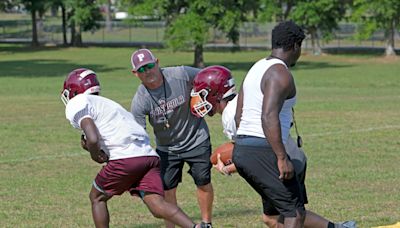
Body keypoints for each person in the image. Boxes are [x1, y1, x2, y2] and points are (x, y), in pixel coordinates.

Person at [190, 65, 357, 228]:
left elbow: (252, 154)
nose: (199, 101)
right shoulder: (244, 99)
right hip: (290, 154)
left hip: (280, 161)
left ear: (216, 93)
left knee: (286, 215)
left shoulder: (230, 115)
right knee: (279, 216)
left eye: (202, 95)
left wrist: (228, 168)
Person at [61, 68, 201, 228]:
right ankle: (195, 227)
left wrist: (94, 154)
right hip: (149, 156)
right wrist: (92, 147)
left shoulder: (77, 102)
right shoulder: (108, 104)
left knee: (97, 197)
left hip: (126, 158)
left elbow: (93, 138)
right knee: (157, 205)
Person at [130, 49, 214, 228]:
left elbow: (209, 77)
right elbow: (138, 135)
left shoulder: (180, 74)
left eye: (150, 65)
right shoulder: (140, 100)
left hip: (196, 138)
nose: (148, 71)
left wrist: (205, 97)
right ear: (135, 73)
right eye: (142, 69)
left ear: (157, 62)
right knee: (167, 191)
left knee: (203, 182)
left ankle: (207, 223)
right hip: (167, 148)